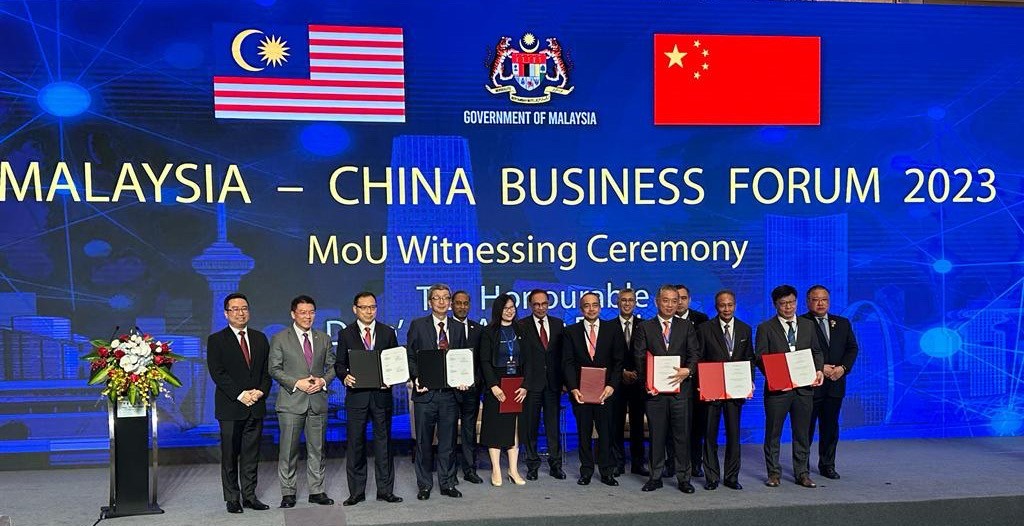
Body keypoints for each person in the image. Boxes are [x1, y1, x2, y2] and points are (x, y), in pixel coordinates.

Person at [269, 295, 336, 508]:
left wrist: (322, 381)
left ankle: (317, 491)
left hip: (317, 400)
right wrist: (297, 383)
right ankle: (288, 492)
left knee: (317, 449)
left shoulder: (323, 338)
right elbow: (274, 369)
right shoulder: (280, 338)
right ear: (293, 314)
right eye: (303, 312)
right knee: (288, 450)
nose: (308, 316)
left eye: (311, 312)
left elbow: (334, 366)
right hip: (291, 402)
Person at [207, 292, 272, 514]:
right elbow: (218, 373)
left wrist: (260, 392)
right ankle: (232, 498)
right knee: (229, 455)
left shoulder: (260, 338)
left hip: (256, 405)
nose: (240, 312)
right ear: (226, 314)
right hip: (230, 407)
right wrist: (241, 394)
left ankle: (250, 496)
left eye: (244, 308)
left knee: (252, 454)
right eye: (235, 309)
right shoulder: (216, 340)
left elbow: (266, 371)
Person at [336, 291, 403, 506]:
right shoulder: (345, 333)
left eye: (372, 307)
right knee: (356, 445)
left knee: (384, 445)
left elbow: (395, 362)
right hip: (357, 398)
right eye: (364, 307)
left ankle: (385, 490)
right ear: (355, 309)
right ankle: (356, 492)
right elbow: (339, 364)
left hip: (382, 396)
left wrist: (392, 378)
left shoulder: (387, 332)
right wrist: (344, 376)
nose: (368, 311)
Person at [755, 284, 824, 489]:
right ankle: (773, 473)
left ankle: (802, 473)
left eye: (791, 302)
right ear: (775, 305)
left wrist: (818, 370)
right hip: (778, 390)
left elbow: (817, 351)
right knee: (773, 432)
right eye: (783, 303)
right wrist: (777, 377)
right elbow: (760, 357)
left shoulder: (808, 325)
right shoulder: (765, 328)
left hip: (804, 389)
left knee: (802, 433)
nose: (788, 307)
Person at [632, 285, 700, 493]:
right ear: (657, 301)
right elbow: (639, 358)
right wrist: (648, 383)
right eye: (666, 300)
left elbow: (694, 354)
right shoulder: (645, 327)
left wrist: (687, 371)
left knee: (682, 436)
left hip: (681, 392)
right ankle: (655, 476)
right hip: (655, 394)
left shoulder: (686, 326)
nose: (670, 305)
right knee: (656, 436)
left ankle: (683, 478)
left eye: (674, 300)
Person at [407, 283, 469, 500]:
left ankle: (447, 483)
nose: (442, 302)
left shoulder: (459, 327)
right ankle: (424, 485)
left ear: (450, 302)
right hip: (425, 395)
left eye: (446, 298)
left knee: (448, 442)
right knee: (423, 443)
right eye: (437, 298)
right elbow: (411, 357)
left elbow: (462, 357)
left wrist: (463, 378)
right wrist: (416, 378)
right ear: (429, 302)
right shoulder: (417, 325)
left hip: (449, 395)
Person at [562, 292, 625, 486]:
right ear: (581, 309)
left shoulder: (612, 330)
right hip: (581, 393)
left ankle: (606, 471)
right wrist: (573, 388)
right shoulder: (571, 331)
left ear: (600, 307)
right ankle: (586, 470)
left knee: (606, 432)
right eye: (587, 306)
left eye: (595, 305)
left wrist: (612, 386)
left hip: (605, 393)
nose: (591, 309)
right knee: (583, 432)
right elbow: (568, 363)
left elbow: (618, 362)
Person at [695, 290, 753, 491]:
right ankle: (711, 477)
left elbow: (749, 360)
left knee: (733, 435)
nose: (726, 309)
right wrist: (702, 382)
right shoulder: (704, 329)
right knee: (710, 436)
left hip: (736, 391)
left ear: (735, 305)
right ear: (716, 306)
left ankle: (731, 477)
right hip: (712, 390)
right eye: (722, 305)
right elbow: (699, 359)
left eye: (730, 305)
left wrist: (750, 381)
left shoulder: (745, 329)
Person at [802, 285, 859, 480]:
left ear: (829, 301)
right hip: (810, 385)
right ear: (808, 302)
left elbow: (852, 348)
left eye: (824, 299)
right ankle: (802, 467)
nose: (820, 303)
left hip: (835, 384)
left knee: (830, 428)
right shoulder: (800, 323)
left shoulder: (842, 323)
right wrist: (819, 367)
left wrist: (843, 368)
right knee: (805, 429)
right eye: (815, 299)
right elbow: (795, 354)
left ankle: (827, 465)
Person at [478, 294, 529, 486]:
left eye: (512, 307)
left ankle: (513, 470)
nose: (510, 311)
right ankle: (496, 470)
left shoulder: (522, 329)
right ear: (498, 309)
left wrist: (525, 385)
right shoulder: (489, 331)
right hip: (497, 384)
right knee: (495, 427)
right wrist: (493, 386)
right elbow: (484, 361)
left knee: (515, 428)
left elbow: (530, 360)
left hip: (517, 383)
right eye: (506, 308)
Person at [518, 288, 566, 480]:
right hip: (531, 384)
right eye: (536, 304)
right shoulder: (521, 325)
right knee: (530, 426)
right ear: (530, 305)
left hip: (553, 384)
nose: (540, 307)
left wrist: (564, 382)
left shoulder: (558, 324)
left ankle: (556, 465)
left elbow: (563, 356)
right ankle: (532, 465)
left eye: (544, 303)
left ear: (549, 304)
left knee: (552, 426)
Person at [611, 288, 648, 476]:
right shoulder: (608, 326)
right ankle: (618, 462)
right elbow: (606, 357)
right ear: (617, 303)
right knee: (616, 424)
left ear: (635, 303)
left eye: (630, 300)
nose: (627, 303)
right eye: (623, 300)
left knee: (637, 425)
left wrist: (636, 373)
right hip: (616, 384)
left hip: (638, 383)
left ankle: (638, 463)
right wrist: (622, 373)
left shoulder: (645, 325)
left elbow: (648, 354)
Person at [675, 283, 709, 479]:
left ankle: (696, 464)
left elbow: (703, 350)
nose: (679, 302)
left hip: (697, 381)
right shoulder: (664, 320)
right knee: (674, 427)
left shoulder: (701, 320)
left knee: (697, 426)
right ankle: (672, 464)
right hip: (670, 380)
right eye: (676, 298)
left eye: (683, 298)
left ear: (689, 299)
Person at [451, 290, 484, 484]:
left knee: (469, 431)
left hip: (472, 389)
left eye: (465, 303)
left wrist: (476, 381)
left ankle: (470, 470)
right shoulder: (445, 328)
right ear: (452, 305)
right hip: (450, 390)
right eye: (458, 303)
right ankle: (450, 472)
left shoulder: (478, 329)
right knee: (449, 432)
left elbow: (482, 360)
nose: (462, 306)